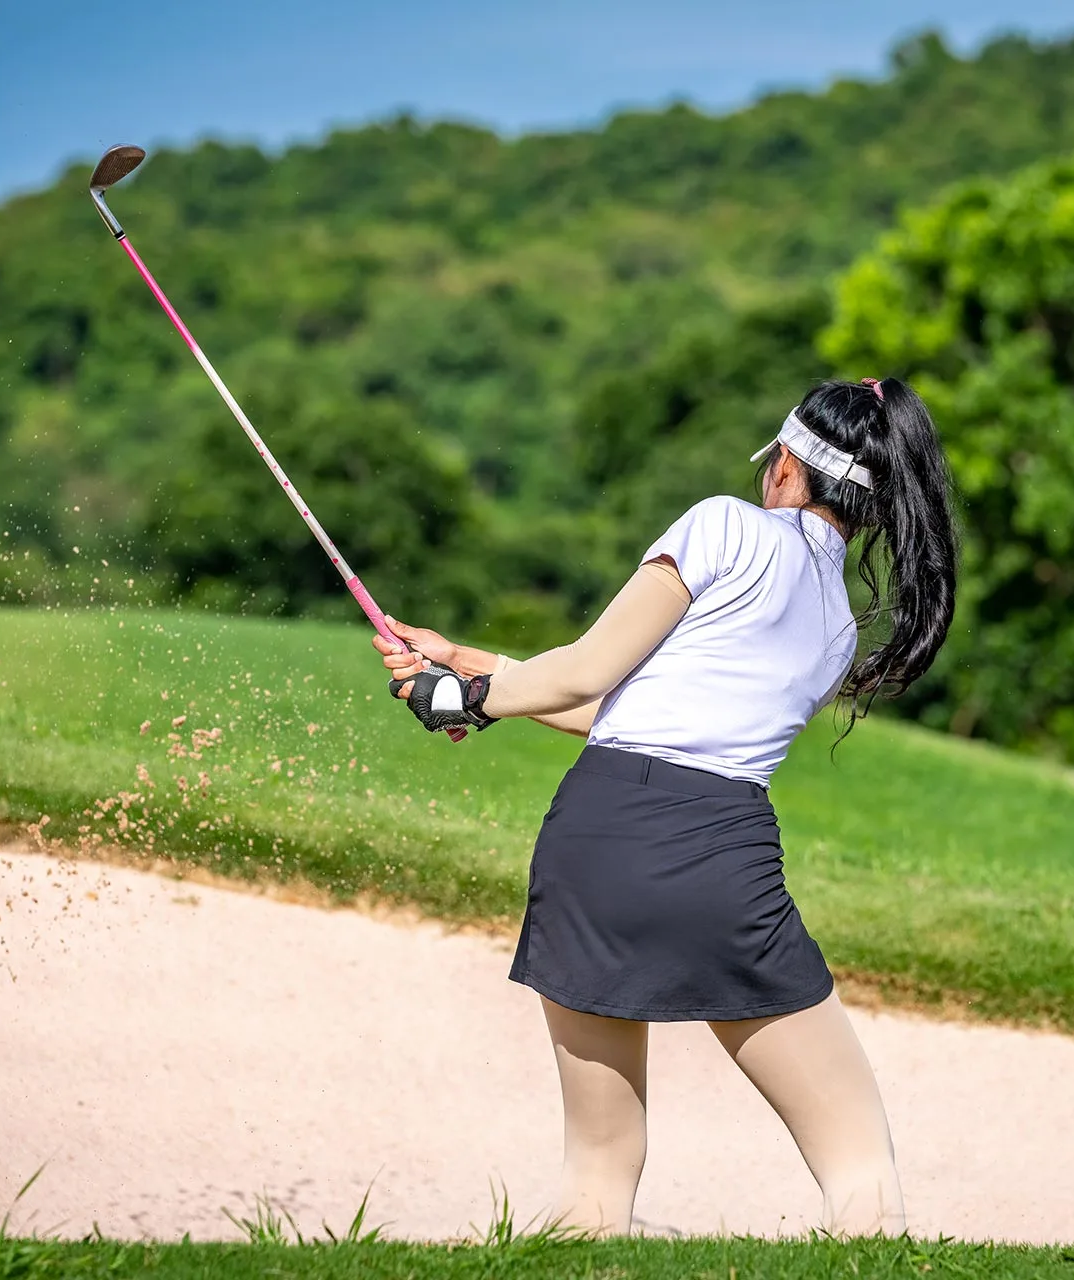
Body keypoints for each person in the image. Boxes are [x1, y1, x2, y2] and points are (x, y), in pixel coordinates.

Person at [373, 377, 957, 1237]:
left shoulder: (721, 524)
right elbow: (615, 704)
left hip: (596, 841)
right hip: (721, 859)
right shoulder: (838, 619)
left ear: (786, 466)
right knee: (860, 1168)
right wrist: (467, 663)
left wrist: (468, 699)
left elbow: (584, 678)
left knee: (595, 1184)